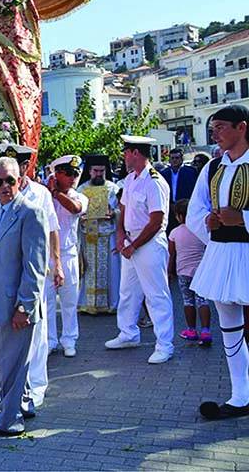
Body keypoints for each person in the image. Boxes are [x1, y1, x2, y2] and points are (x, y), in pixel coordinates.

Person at [0, 144, 59, 409]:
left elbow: (35, 266)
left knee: (21, 356)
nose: (4, 186)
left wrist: (25, 305)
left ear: (21, 178)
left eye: (10, 181)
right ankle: (21, 403)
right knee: (5, 361)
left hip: (18, 303)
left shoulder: (32, 208)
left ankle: (12, 417)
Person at [186, 105, 249, 420]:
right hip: (224, 253)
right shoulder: (212, 167)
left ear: (242, 127)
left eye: (221, 127)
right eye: (213, 128)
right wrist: (210, 223)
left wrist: (244, 219)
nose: (215, 133)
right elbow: (195, 210)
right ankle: (240, 395)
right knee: (231, 328)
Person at [105, 135, 175, 364]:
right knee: (127, 292)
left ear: (136, 153)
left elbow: (156, 221)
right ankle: (128, 333)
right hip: (131, 243)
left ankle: (165, 344)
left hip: (149, 244)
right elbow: (123, 210)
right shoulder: (131, 179)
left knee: (156, 295)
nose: (123, 156)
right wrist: (120, 235)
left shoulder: (154, 181)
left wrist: (133, 245)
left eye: (126, 152)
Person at [46, 155, 88, 358]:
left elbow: (75, 208)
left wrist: (55, 193)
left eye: (76, 174)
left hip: (68, 254)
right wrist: (50, 192)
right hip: (46, 255)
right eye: (68, 174)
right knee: (47, 301)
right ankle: (50, 340)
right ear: (57, 174)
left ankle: (69, 339)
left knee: (69, 301)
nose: (73, 178)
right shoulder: (43, 195)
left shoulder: (79, 196)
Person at [78, 155, 121, 314]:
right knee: (87, 270)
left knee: (111, 270)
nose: (98, 174)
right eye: (95, 171)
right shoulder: (81, 189)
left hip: (107, 235)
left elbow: (121, 210)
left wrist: (114, 213)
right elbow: (76, 211)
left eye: (102, 171)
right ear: (89, 171)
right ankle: (86, 303)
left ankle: (111, 304)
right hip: (87, 236)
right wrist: (79, 217)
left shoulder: (112, 188)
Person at [168, 199, 211, 346]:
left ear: (179, 216)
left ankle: (191, 330)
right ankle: (206, 331)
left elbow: (171, 254)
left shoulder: (174, 232)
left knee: (188, 301)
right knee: (203, 300)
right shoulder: (202, 230)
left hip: (183, 272)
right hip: (201, 272)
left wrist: (169, 271)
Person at [161, 147, 199, 232]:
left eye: (177, 158)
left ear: (182, 159)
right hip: (169, 208)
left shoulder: (191, 172)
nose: (174, 160)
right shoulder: (163, 173)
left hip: (185, 208)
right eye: (172, 158)